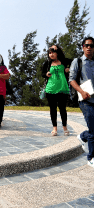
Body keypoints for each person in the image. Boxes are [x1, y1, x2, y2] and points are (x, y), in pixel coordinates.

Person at [69, 36, 94, 167]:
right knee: (93, 129)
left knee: (93, 129)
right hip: (84, 99)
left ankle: (83, 136)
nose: (89, 47)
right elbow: (72, 80)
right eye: (86, 45)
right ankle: (91, 158)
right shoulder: (77, 61)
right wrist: (82, 92)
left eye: (91, 45)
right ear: (83, 47)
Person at [41, 45, 72, 136]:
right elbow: (42, 73)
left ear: (57, 52)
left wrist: (68, 69)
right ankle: (54, 129)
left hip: (63, 88)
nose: (51, 54)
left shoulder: (64, 61)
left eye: (53, 52)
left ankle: (65, 128)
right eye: (49, 53)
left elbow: (74, 62)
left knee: (63, 109)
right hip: (50, 89)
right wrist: (46, 74)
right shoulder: (47, 63)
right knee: (52, 109)